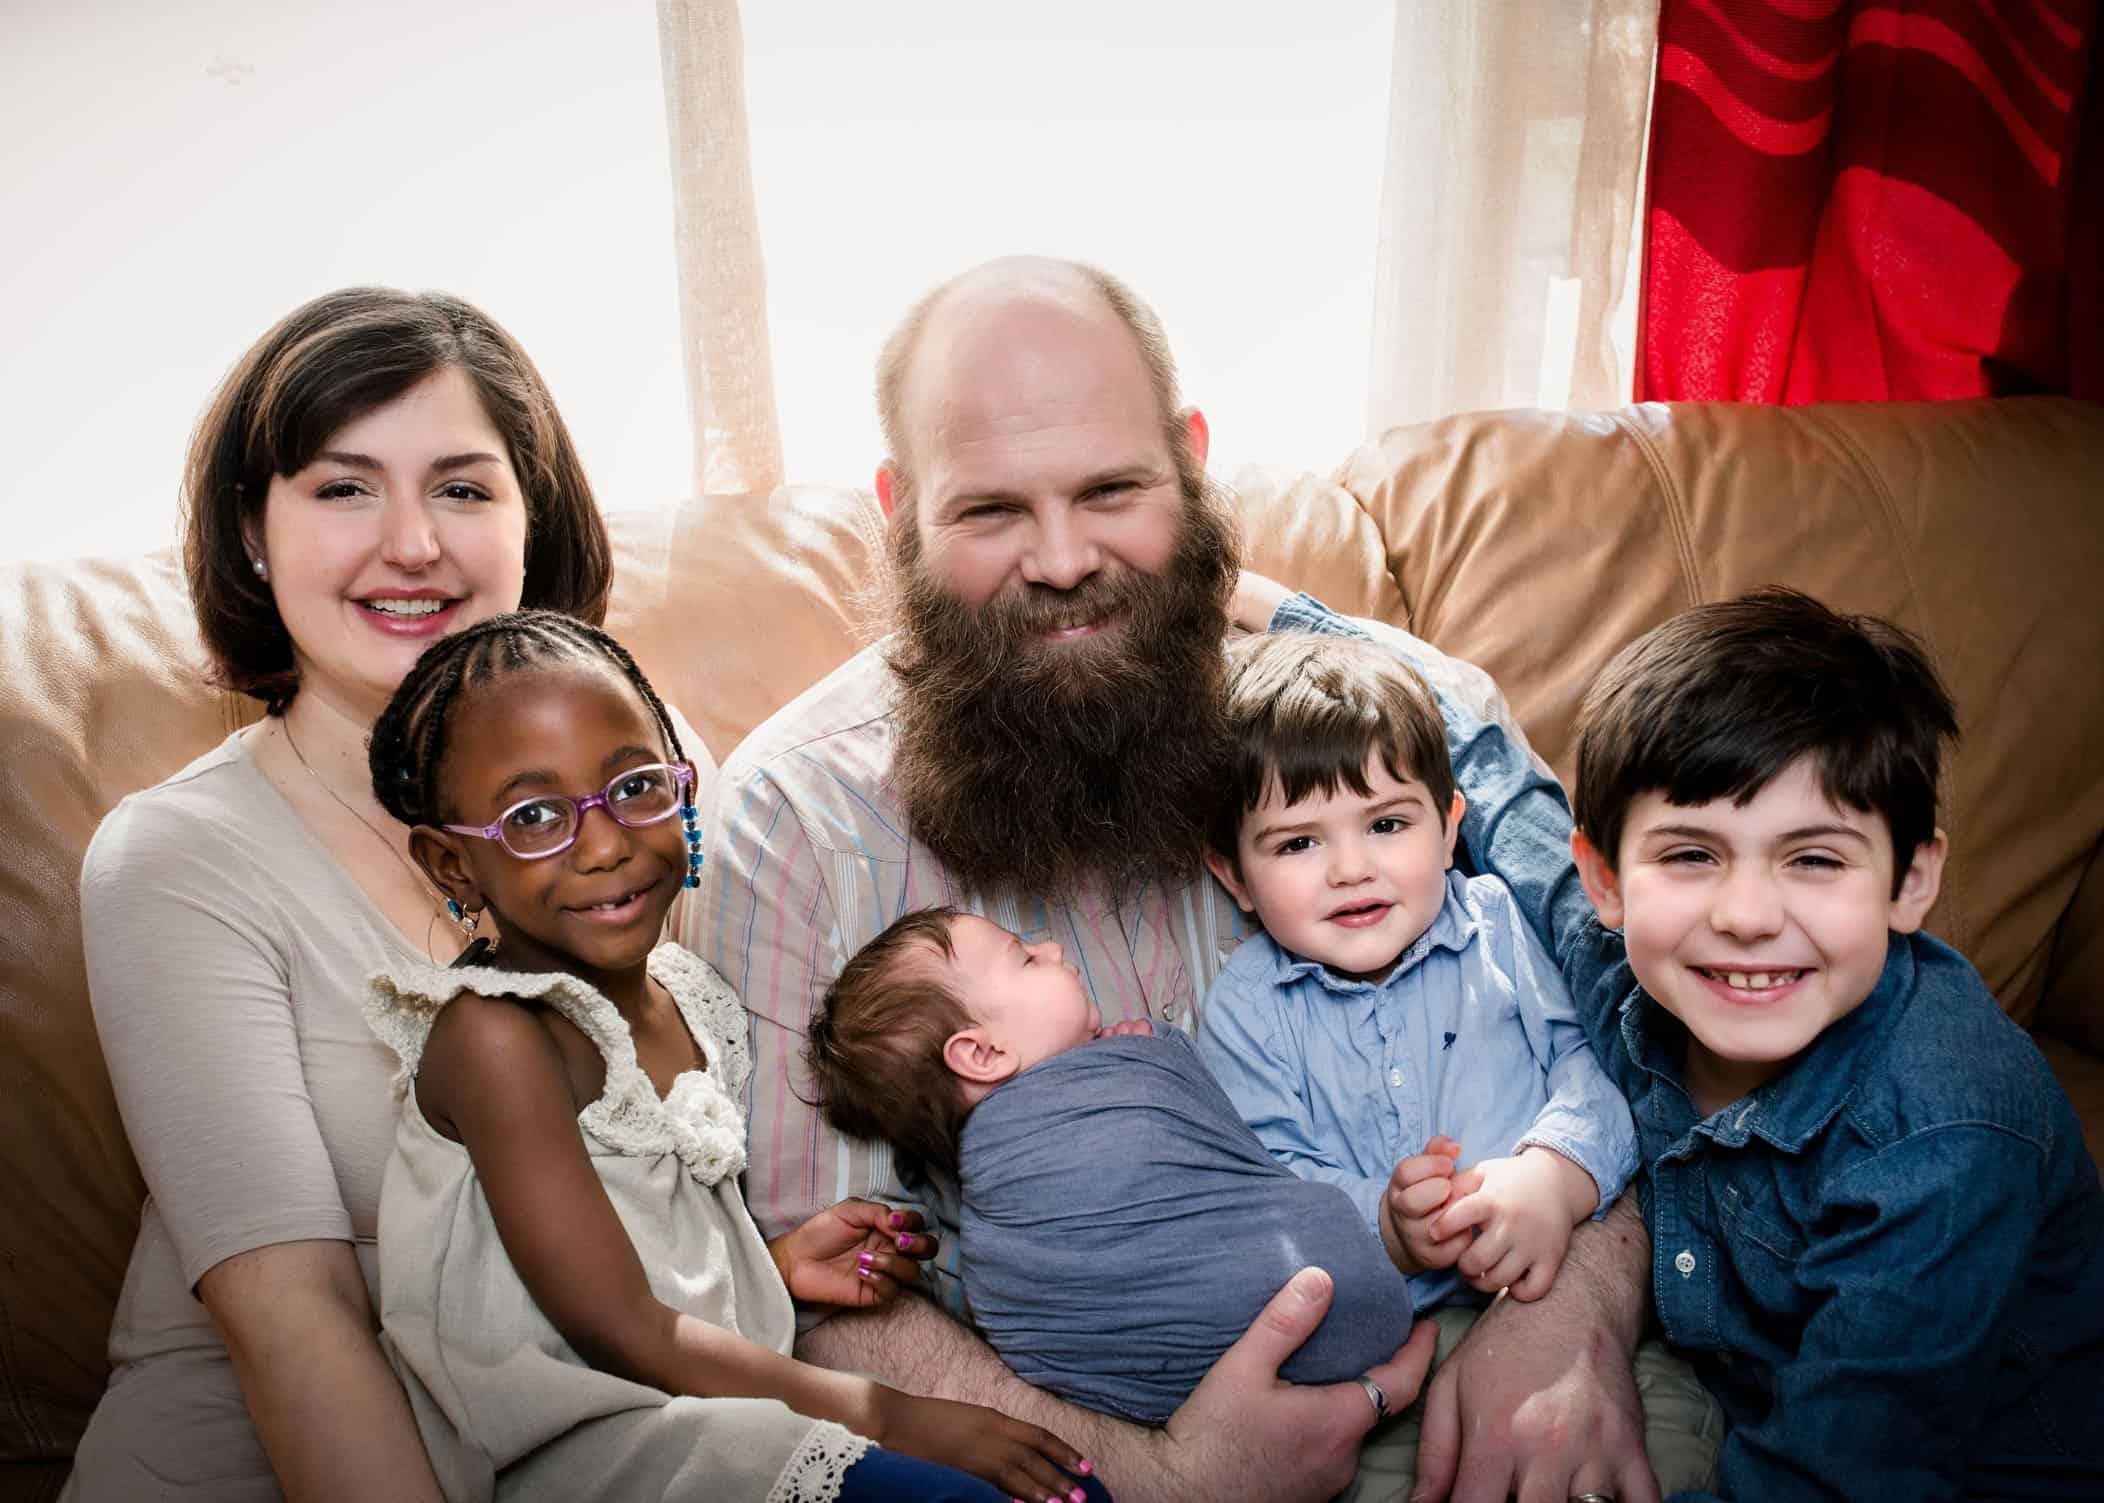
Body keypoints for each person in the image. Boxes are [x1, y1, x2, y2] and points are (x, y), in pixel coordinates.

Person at [695, 254, 1700, 1503]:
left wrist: (1567, 1322)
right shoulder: (795, 814)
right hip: (1071, 1446)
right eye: (991, 511)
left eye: (1112, 489)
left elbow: (1651, 1060)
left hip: (1499, 1347)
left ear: (1190, 463)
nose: (1061, 560)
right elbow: (818, 1292)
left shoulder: (1374, 722)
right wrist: (1157, 1477)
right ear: (902, 509)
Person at [1308, 586, 2104, 1500]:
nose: (1747, 918)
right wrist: (1268, 604)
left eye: (1815, 858)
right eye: (1691, 854)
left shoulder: (1942, 1134)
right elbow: (1496, 788)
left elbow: (1831, 1481)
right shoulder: (1619, 968)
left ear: (1911, 880)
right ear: (1605, 879)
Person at [356, 609, 1109, 1503]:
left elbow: (653, 1253)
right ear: (451, 866)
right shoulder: (493, 1036)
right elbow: (619, 1328)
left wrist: (776, 1264)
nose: (603, 844)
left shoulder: (691, 992)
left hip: (714, 1405)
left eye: (634, 787)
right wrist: (904, 1413)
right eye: (534, 816)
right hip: (604, 1450)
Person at [72, 288, 623, 1501]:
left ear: (535, 523)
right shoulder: (175, 859)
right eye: (343, 487)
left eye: (465, 489)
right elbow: (292, 1320)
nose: (413, 543)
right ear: (253, 534)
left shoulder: (640, 787)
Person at [804, 905, 1424, 1424]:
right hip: (1332, 1300)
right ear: (983, 1053)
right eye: (1024, 957)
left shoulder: (1109, 1075)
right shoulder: (1026, 1161)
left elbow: (1204, 1155)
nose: (1050, 948)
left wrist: (1138, 1061)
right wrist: (1154, 1057)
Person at [1195, 631, 1636, 1309]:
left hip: (1564, 1280)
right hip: (1380, 1331)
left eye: (1387, 825)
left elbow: (1599, 1063)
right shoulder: (1246, 1009)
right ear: (1235, 876)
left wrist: (1554, 1176)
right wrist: (1384, 1224)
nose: (1351, 868)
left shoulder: (1500, 926)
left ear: (1449, 825)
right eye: (1300, 842)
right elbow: (1264, 1184)